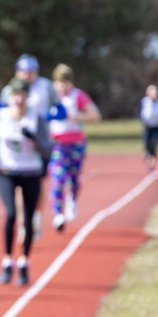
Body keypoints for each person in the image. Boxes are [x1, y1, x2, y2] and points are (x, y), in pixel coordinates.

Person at [0, 78, 51, 286]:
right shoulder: (1, 116)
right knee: (12, 214)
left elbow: (47, 149)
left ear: (28, 97)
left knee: (29, 218)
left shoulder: (36, 118)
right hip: (6, 170)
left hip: (31, 171)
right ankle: (7, 260)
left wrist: (34, 139)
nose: (19, 99)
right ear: (10, 97)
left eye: (23, 95)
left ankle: (24, 263)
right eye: (16, 95)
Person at [47, 64, 100, 230]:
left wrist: (77, 116)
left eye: (65, 82)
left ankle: (73, 199)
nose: (62, 86)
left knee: (74, 179)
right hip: (57, 145)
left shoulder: (78, 96)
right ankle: (58, 214)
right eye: (58, 82)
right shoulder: (49, 97)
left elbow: (95, 115)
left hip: (76, 145)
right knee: (58, 179)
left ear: (71, 83)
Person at [140, 84, 158, 170]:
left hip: (156, 126)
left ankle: (152, 163)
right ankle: (148, 156)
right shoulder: (145, 101)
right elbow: (144, 114)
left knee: (154, 143)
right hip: (147, 126)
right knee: (147, 144)